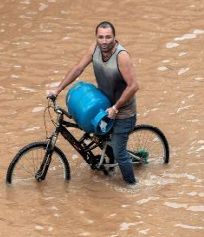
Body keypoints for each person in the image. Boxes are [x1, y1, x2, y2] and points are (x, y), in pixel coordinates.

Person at [46, 21, 140, 185]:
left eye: (108, 37)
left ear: (114, 37)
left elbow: (134, 86)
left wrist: (115, 108)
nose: (104, 41)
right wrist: (58, 89)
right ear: (96, 37)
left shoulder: (121, 56)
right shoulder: (95, 48)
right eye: (101, 37)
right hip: (103, 106)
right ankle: (109, 167)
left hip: (123, 112)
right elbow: (78, 68)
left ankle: (132, 186)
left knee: (119, 153)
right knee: (94, 134)